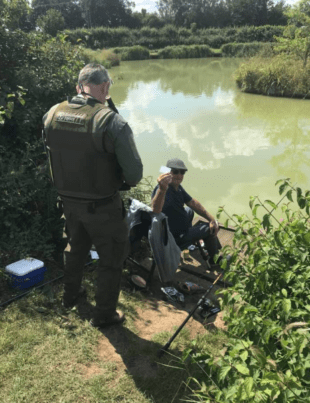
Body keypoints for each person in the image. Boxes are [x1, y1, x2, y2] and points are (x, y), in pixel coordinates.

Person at [42, 63, 143, 328]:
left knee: (74, 249)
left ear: (78, 87)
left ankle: (71, 296)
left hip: (69, 202)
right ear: (105, 87)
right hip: (103, 207)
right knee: (111, 258)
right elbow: (134, 173)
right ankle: (104, 315)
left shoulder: (52, 114)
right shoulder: (111, 121)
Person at [151, 158, 221, 264]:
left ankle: (194, 239)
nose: (179, 175)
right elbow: (155, 210)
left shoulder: (177, 187)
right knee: (209, 228)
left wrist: (211, 219)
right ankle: (214, 260)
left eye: (182, 172)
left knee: (189, 210)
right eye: (175, 172)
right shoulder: (163, 190)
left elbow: (192, 203)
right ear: (167, 173)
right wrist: (162, 189)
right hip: (174, 237)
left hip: (177, 227)